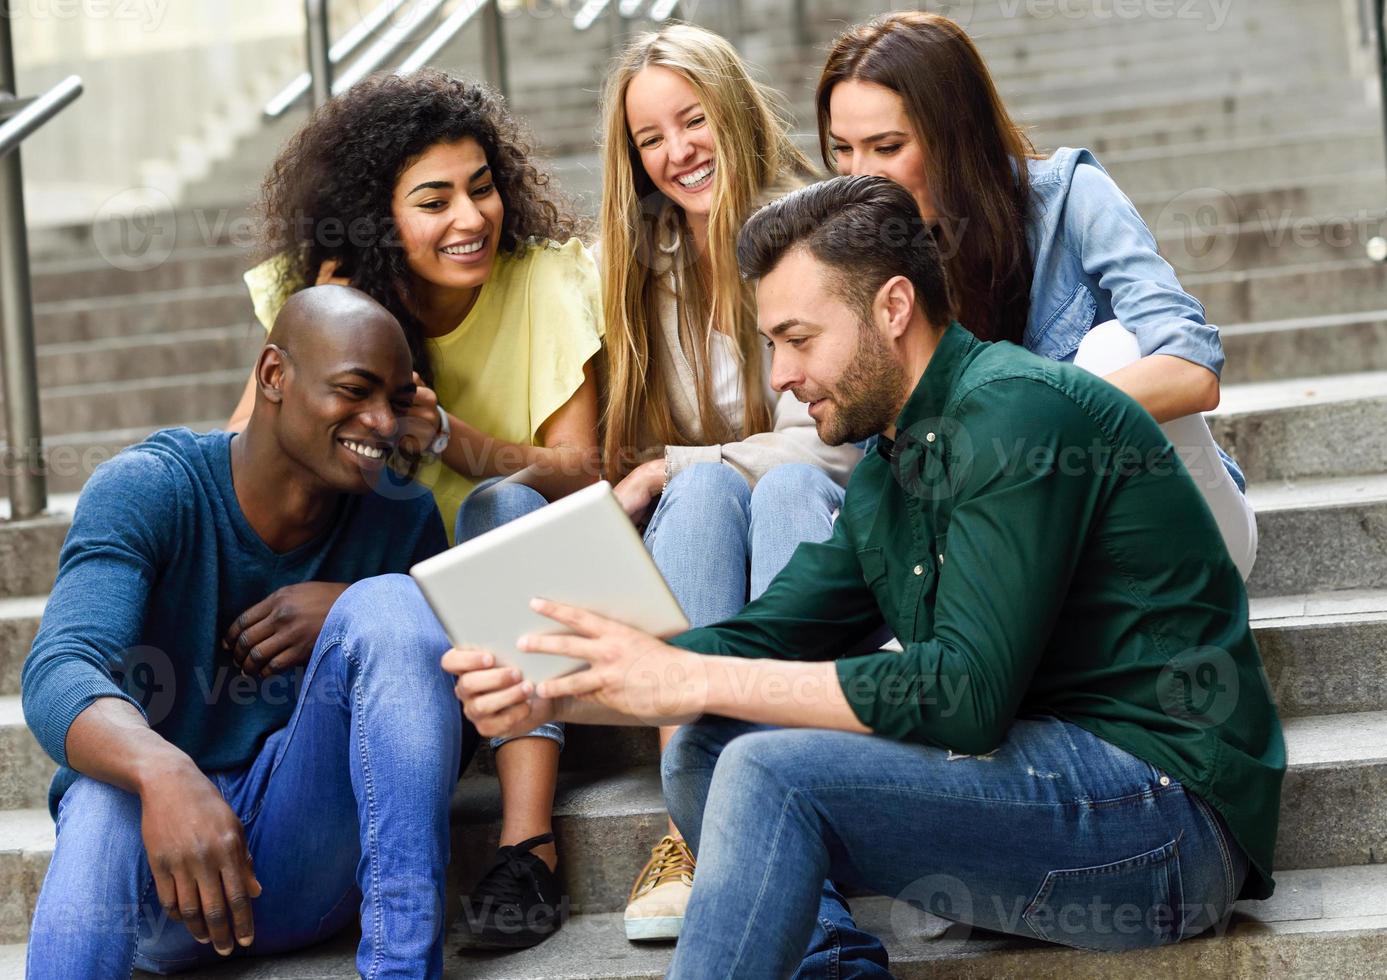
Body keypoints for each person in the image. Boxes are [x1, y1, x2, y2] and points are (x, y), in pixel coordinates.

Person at [445, 176, 1286, 979]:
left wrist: (691, 673)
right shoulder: (889, 469)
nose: (777, 374)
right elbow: (761, 636)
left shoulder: (1017, 414)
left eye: (797, 339)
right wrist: (556, 689)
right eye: (772, 344)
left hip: (1164, 823)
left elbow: (964, 694)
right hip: (1051, 792)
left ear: (892, 308)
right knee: (706, 743)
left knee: (766, 768)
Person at [228, 70, 604, 949]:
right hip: (389, 611)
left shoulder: (546, 279)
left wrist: (454, 442)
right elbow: (242, 468)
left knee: (502, 503)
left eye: (481, 188)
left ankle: (527, 845)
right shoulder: (325, 295)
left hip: (528, 599)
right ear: (376, 218)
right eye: (433, 200)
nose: (470, 218)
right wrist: (323, 316)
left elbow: (585, 474)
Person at [23, 287, 471, 978]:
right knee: (104, 791)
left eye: (398, 399)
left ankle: (403, 970)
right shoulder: (152, 489)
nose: (382, 422)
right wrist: (163, 771)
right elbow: (60, 667)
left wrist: (358, 605)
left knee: (394, 603)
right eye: (354, 390)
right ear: (272, 376)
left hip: (306, 868)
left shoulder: (399, 519)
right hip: (161, 887)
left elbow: (444, 725)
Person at [817, 11, 1258, 579]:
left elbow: (1192, 371)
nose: (861, 178)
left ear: (954, 134)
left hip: (1182, 537)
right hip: (1023, 562)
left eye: (886, 146)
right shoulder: (865, 258)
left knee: (1113, 348)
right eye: (842, 150)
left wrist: (1013, 435)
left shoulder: (1070, 196)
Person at [592, 23, 863, 944]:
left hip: (823, 535)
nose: (675, 153)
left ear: (733, 112)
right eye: (649, 138)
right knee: (703, 497)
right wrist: (683, 476)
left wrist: (680, 463)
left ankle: (791, 784)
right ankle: (692, 820)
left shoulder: (817, 231)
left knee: (768, 489)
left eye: (691, 120)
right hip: (707, 545)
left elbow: (831, 447)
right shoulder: (643, 263)